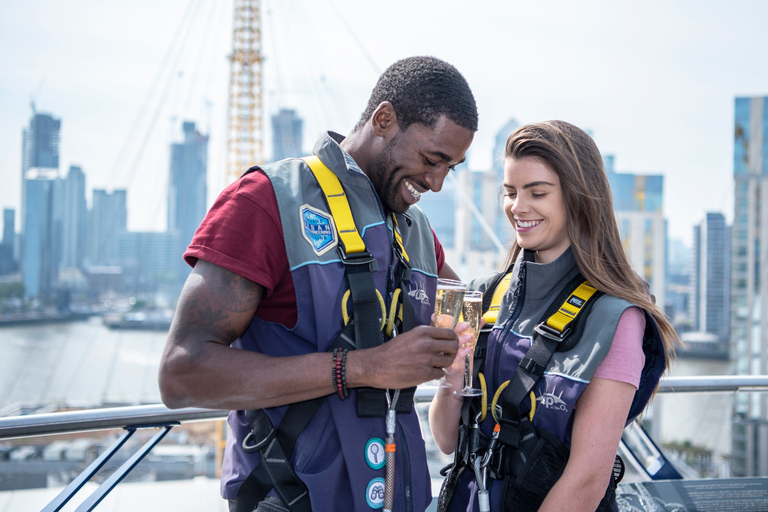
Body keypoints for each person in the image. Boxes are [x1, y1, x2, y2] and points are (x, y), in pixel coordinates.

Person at [158, 56, 478, 512]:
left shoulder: (417, 232)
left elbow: (470, 317)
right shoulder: (265, 202)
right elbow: (181, 375)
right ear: (383, 119)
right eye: (432, 160)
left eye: (453, 167)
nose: (438, 182)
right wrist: (362, 367)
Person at [429, 120, 679, 512]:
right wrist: (455, 371)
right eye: (510, 192)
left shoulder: (616, 318)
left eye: (537, 192)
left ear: (578, 198)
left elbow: (587, 480)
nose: (518, 207)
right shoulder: (479, 295)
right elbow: (446, 440)